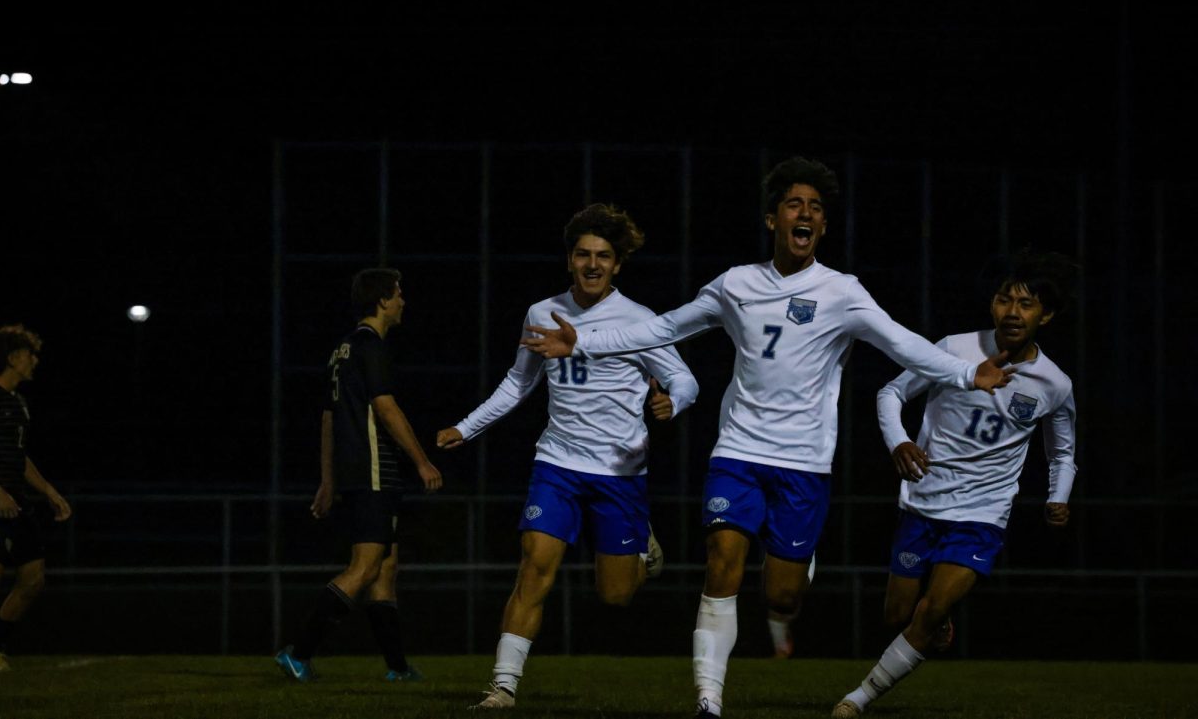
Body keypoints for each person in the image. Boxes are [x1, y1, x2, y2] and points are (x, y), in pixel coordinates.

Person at [521, 158, 1014, 718]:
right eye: (794, 204)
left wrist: (965, 373)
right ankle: (709, 698)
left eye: (816, 208)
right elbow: (663, 328)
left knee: (781, 597)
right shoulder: (737, 283)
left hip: (804, 462)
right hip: (738, 451)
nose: (805, 214)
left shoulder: (842, 292)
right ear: (772, 219)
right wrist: (580, 343)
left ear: (822, 228)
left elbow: (902, 343)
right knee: (721, 559)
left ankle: (797, 568)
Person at [436, 204, 699, 710]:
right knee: (535, 566)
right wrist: (466, 428)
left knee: (616, 595)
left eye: (603, 255)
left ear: (618, 264)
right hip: (556, 465)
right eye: (583, 254)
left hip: (620, 473)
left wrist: (672, 400)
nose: (593, 264)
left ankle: (642, 545)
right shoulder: (542, 312)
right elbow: (519, 383)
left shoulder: (640, 320)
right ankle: (503, 686)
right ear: (570, 260)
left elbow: (686, 378)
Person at [831, 250, 1078, 718]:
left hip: (983, 515)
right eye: (1005, 300)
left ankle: (856, 700)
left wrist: (1057, 497)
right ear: (992, 306)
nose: (1012, 311)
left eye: (1026, 304)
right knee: (897, 615)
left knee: (929, 610)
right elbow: (891, 392)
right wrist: (899, 443)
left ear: (1045, 315)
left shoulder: (1055, 384)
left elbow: (1062, 453)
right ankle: (936, 621)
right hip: (923, 501)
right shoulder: (953, 349)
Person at [275, 268, 442, 683]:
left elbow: (328, 421)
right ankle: (298, 653)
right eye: (399, 294)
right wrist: (422, 460)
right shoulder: (370, 346)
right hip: (374, 471)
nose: (403, 301)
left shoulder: (342, 350)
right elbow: (385, 408)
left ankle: (397, 668)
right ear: (383, 300)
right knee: (366, 566)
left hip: (357, 472)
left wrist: (328, 480)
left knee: (385, 567)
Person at [0, 325, 72, 672]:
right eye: (30, 354)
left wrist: (49, 491)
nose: (35, 361)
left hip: (17, 502)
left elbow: (19, 455)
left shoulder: (18, 403)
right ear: (12, 358)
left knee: (33, 578)